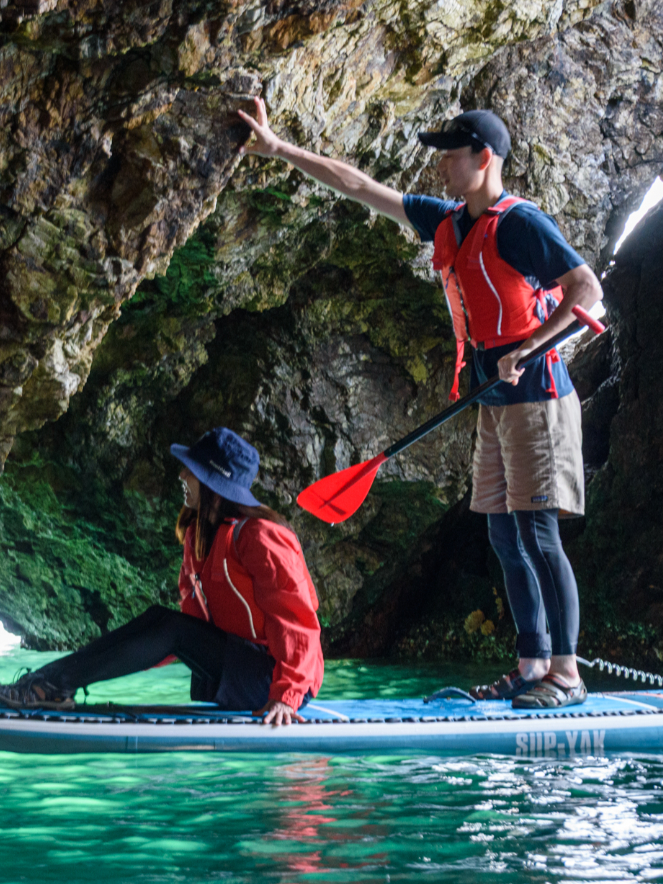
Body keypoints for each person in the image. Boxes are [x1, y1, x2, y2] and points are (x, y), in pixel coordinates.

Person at [236, 99, 602, 709]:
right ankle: (531, 663)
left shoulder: (522, 224)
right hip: (494, 404)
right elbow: (358, 186)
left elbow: (588, 291)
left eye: (450, 157)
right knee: (504, 538)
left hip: (539, 399)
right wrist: (280, 150)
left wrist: (531, 348)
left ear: (484, 159)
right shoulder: (449, 221)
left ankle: (565, 674)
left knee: (539, 536)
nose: (440, 168)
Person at [0, 427, 324, 726]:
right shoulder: (198, 536)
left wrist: (286, 695)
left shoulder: (262, 536)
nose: (180, 476)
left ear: (212, 482)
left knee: (168, 625)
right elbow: (185, 634)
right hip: (237, 668)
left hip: (276, 680)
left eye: (189, 469)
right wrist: (125, 658)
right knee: (160, 618)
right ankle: (49, 682)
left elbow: (297, 621)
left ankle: (53, 686)